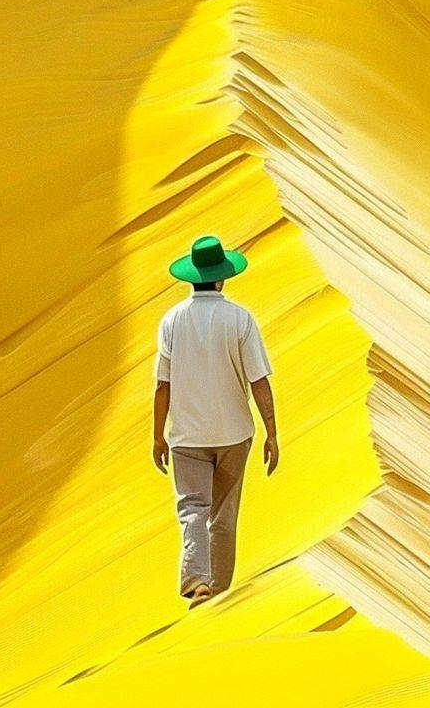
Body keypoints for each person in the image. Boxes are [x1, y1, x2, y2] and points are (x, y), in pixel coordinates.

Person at [152, 233, 278, 609]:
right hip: (233, 433)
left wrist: (158, 435)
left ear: (193, 277)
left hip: (187, 435)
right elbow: (259, 381)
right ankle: (218, 588)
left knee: (193, 508)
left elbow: (163, 384)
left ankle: (197, 582)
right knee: (223, 511)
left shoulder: (172, 320)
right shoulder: (240, 319)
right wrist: (272, 431)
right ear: (222, 277)